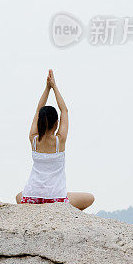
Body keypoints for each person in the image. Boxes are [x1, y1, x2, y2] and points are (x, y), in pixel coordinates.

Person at [15, 70, 94, 210]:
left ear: (39, 121)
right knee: (90, 198)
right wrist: (54, 86)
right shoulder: (59, 141)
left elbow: (38, 109)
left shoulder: (33, 140)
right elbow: (64, 110)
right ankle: (66, 215)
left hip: (31, 198)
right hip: (55, 199)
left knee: (19, 196)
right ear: (56, 123)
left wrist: (47, 88)